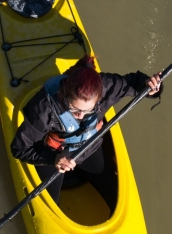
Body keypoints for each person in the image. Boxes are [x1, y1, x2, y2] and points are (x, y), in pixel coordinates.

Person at [10, 55, 162, 214]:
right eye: (74, 110)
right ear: (64, 95)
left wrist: (150, 87)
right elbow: (19, 148)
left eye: (87, 110)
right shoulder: (42, 108)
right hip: (55, 154)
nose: (80, 116)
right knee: (51, 205)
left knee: (110, 187)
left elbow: (135, 82)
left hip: (88, 146)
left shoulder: (107, 86)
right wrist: (53, 158)